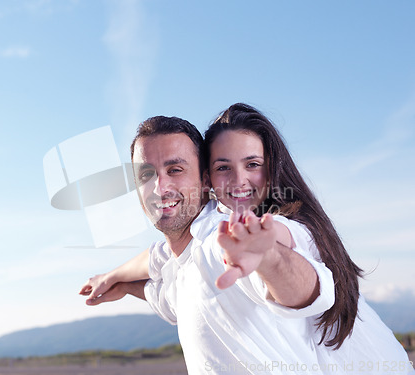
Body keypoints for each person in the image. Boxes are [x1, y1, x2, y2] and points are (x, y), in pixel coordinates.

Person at [80, 105, 414, 374]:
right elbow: (164, 277)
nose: (159, 187)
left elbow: (307, 289)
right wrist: (118, 280)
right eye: (146, 174)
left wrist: (269, 257)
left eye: (176, 169)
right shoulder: (186, 261)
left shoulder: (233, 238)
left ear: (204, 180)